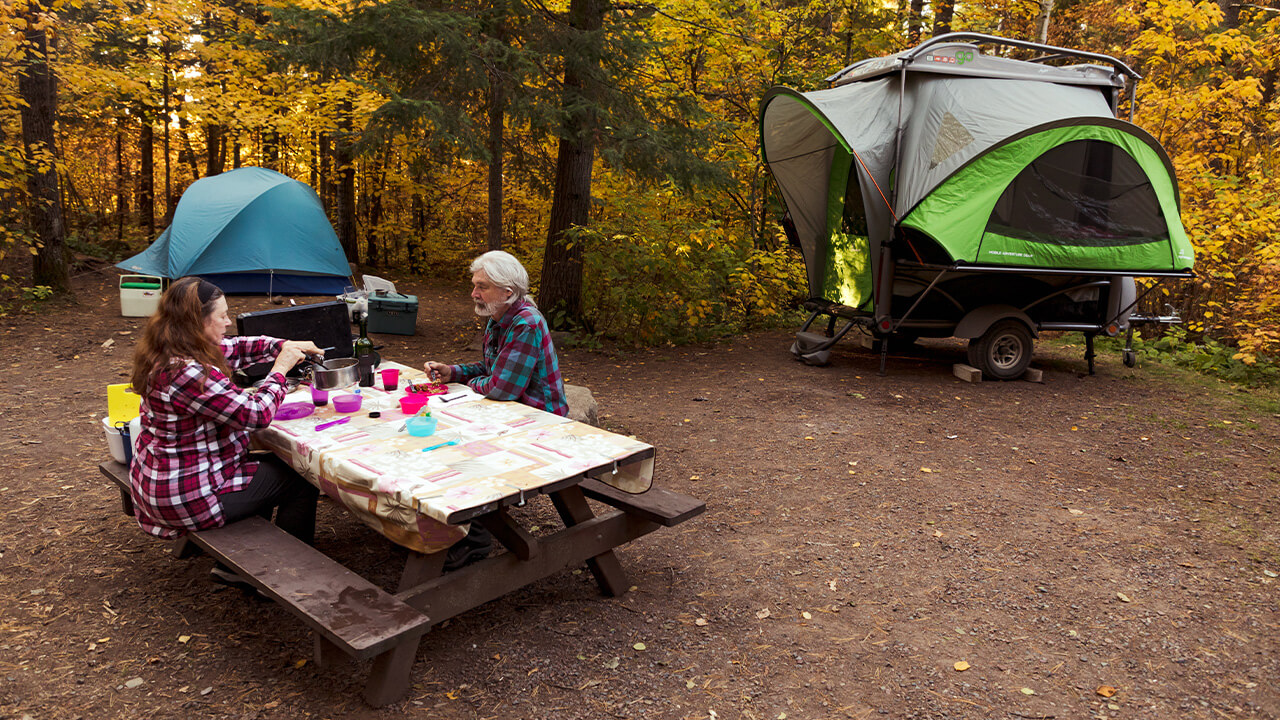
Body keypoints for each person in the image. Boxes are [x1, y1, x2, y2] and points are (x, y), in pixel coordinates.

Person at [128, 276, 321, 587]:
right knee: (301, 478)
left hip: (162, 480)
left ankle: (235, 565)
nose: (228, 323)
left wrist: (282, 345)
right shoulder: (187, 372)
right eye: (221, 316)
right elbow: (256, 415)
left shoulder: (170, 348)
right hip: (185, 495)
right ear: (197, 322)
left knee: (270, 468)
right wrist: (280, 369)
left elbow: (235, 348)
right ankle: (282, 578)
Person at [423, 251, 568, 568]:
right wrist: (454, 372)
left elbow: (502, 388)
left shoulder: (526, 323)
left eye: (482, 286)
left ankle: (474, 539)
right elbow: (491, 368)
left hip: (542, 425)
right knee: (438, 438)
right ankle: (461, 527)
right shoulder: (498, 318)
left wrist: (467, 386)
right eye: (475, 285)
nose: (474, 293)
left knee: (459, 452)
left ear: (508, 292)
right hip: (512, 416)